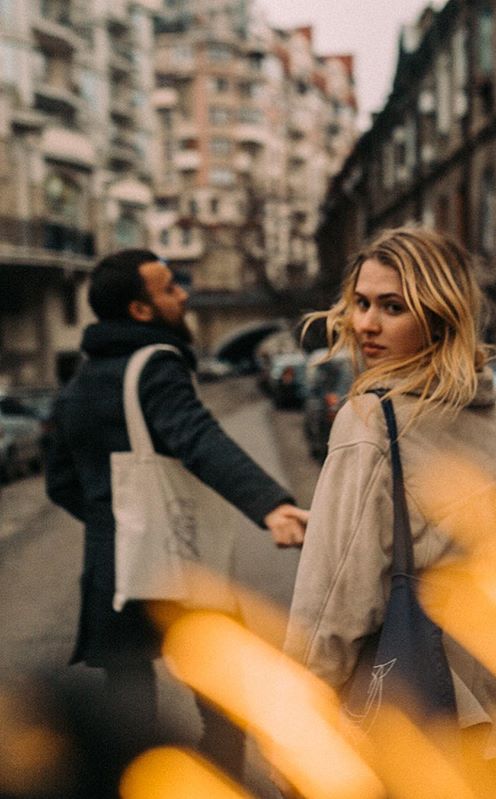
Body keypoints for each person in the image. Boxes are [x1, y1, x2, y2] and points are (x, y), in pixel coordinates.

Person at [283, 227, 496, 798]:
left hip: (412, 725)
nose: (366, 324)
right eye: (362, 302)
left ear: (439, 318)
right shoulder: (485, 407)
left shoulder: (374, 422)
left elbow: (332, 605)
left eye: (393, 307)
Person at [45, 249, 308, 782]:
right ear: (141, 311)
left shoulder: (79, 384)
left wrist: (117, 521)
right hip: (176, 562)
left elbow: (60, 483)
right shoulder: (157, 365)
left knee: (129, 708)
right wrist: (270, 504)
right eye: (169, 289)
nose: (183, 294)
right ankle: (220, 784)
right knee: (222, 692)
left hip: (112, 571)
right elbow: (197, 438)